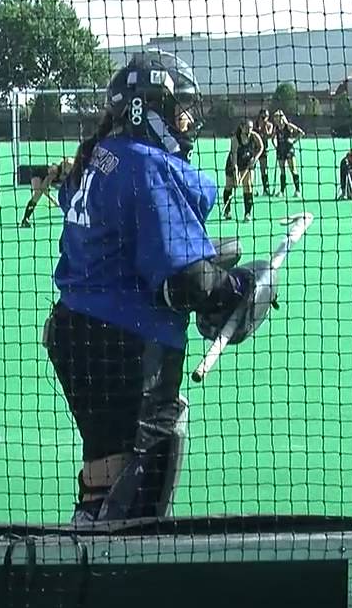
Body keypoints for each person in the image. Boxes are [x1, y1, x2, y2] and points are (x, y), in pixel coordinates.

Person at [45, 49, 261, 524]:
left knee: (106, 457)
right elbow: (185, 282)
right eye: (179, 108)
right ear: (150, 108)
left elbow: (127, 244)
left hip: (72, 332)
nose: (187, 121)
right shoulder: (147, 164)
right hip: (124, 345)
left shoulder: (100, 157)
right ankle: (120, 573)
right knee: (149, 465)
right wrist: (240, 288)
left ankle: (88, 533)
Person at [220, 119, 266, 221]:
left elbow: (261, 147)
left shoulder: (254, 136)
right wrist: (236, 175)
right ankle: (227, 211)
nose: (249, 130)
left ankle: (247, 213)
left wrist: (255, 158)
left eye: (250, 128)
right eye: (247, 128)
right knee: (229, 186)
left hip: (248, 162)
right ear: (241, 127)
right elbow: (234, 160)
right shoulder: (235, 140)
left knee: (248, 185)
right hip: (234, 163)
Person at [20, 157, 71, 227]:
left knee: (38, 194)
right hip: (37, 174)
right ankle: (25, 219)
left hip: (46, 179)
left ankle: (25, 220)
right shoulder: (54, 171)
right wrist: (53, 199)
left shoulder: (65, 174)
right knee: (37, 194)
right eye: (69, 166)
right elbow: (44, 188)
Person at [271, 110, 305, 197]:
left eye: (277, 117)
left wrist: (294, 140)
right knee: (282, 171)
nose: (275, 119)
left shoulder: (288, 126)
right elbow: (273, 138)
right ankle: (282, 191)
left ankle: (297, 190)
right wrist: (276, 146)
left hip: (289, 150)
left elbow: (301, 133)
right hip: (281, 150)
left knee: (293, 170)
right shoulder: (276, 128)